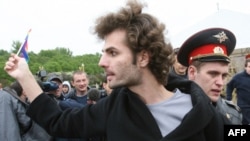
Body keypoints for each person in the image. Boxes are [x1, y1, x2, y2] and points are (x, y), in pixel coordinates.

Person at [4, 1, 224, 141]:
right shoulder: (113, 108)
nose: (101, 61)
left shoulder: (202, 111)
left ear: (144, 57)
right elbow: (59, 122)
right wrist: (25, 76)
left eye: (113, 52)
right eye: (103, 52)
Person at [175, 27, 242, 124]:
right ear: (192, 72)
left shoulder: (233, 114)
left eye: (223, 76)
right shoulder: (171, 113)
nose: (220, 83)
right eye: (213, 74)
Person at [226, 54, 250, 124]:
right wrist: (229, 100)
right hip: (244, 108)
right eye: (249, 67)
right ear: (245, 67)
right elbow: (229, 86)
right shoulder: (238, 77)